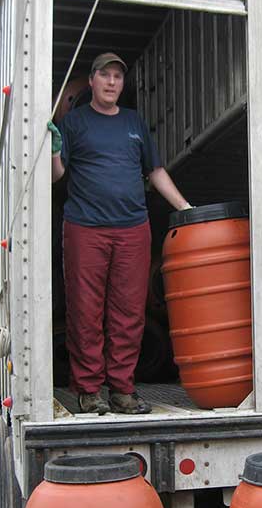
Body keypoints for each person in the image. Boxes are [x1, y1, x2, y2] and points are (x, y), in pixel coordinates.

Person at [49, 52, 192, 415]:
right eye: (105, 75)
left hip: (132, 229)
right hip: (85, 227)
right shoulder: (75, 123)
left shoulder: (134, 123)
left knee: (129, 313)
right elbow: (56, 176)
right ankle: (88, 390)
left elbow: (155, 171)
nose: (112, 82)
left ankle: (123, 391)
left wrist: (185, 208)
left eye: (117, 76)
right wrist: (52, 151)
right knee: (85, 310)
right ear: (92, 81)